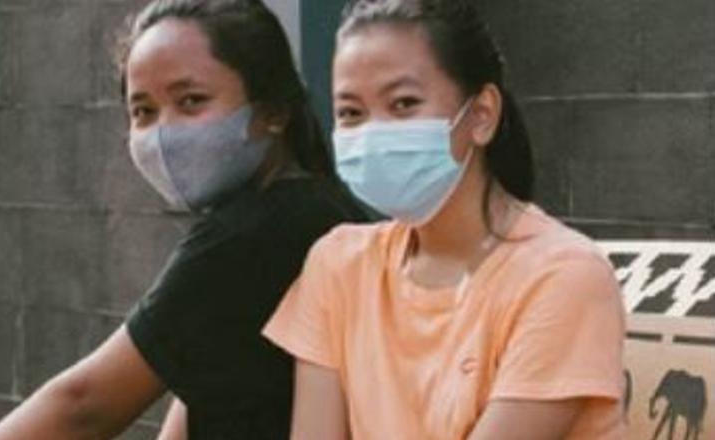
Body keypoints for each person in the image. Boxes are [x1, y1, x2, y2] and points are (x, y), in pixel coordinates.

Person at [0, 1, 368, 439]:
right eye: (143, 111)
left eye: (191, 101)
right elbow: (192, 393)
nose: (164, 134)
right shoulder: (307, 207)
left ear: (273, 112)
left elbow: (83, 405)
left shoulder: (257, 234)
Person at [262, 0, 627, 439]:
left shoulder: (563, 276)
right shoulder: (338, 263)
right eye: (351, 113)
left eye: (403, 104)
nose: (374, 133)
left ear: (481, 115)